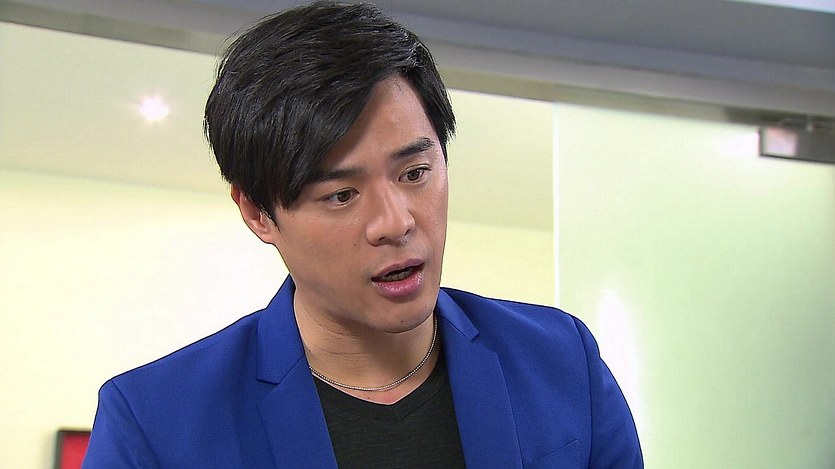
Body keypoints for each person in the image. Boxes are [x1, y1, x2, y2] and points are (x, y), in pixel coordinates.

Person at [83, 1, 642, 467]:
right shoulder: (155, 423)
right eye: (341, 195)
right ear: (257, 212)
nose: (396, 222)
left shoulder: (559, 359)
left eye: (415, 174)